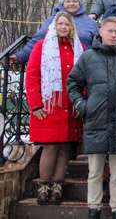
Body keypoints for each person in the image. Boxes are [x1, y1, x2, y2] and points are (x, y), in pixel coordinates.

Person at [67, 17, 116, 219]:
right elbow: (73, 83)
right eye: (110, 31)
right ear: (101, 32)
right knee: (94, 171)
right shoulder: (88, 57)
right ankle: (93, 208)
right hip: (96, 122)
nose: (113, 35)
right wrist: (82, 106)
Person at [25, 12, 84, 205]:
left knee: (66, 148)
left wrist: (80, 101)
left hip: (70, 105)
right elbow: (32, 76)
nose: (64, 27)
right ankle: (44, 186)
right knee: (50, 147)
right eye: (60, 23)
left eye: (67, 24)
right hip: (49, 105)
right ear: (54, 26)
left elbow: (84, 78)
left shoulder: (78, 48)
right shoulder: (42, 47)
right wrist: (35, 105)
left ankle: (58, 186)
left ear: (72, 27)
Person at [13, 0, 98, 63]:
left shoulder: (90, 23)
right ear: (62, 4)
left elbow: (97, 44)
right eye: (68, 1)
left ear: (80, 4)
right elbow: (37, 40)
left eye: (75, 1)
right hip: (54, 64)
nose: (71, 4)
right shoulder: (52, 20)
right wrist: (20, 56)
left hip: (82, 65)